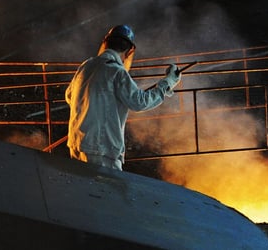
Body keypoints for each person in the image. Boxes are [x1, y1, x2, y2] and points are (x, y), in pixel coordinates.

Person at [65, 25, 181, 170]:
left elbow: (69, 96)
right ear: (129, 51)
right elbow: (139, 102)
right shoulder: (117, 72)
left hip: (76, 144)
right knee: (105, 191)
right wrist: (167, 83)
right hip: (102, 150)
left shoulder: (86, 66)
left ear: (105, 42)